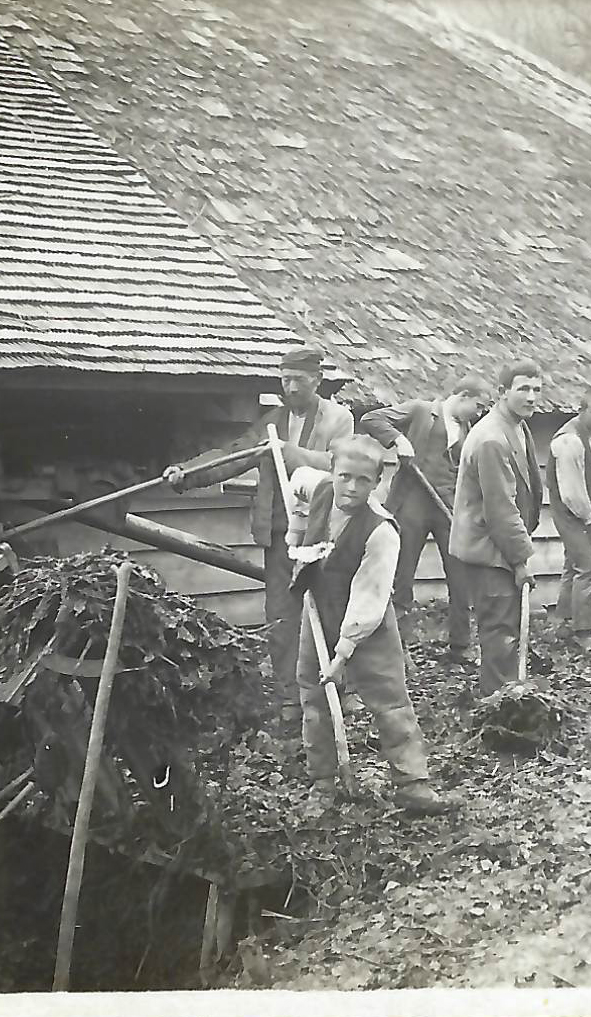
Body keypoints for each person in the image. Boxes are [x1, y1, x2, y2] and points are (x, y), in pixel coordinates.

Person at [162, 346, 353, 727]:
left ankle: (339, 689)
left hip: (323, 531)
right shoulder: (272, 422)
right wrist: (188, 473)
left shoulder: (338, 419)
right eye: (285, 379)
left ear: (317, 380)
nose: (291, 387)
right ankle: (290, 697)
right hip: (281, 532)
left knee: (332, 608)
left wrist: (288, 452)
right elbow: (234, 454)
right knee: (282, 614)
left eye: (299, 380)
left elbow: (339, 464)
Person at [289, 436, 449, 814]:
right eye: (344, 476)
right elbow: (296, 483)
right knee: (314, 696)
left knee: (389, 697)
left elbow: (368, 598)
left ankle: (412, 784)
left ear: (377, 482)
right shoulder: (318, 486)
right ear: (332, 471)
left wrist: (343, 654)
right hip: (319, 607)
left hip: (368, 620)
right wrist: (295, 537)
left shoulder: (381, 532)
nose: (351, 487)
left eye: (363, 480)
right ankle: (323, 783)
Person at [359, 375, 493, 662]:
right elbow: (371, 419)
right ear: (463, 395)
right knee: (401, 577)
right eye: (478, 406)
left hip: (448, 510)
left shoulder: (469, 430)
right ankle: (397, 648)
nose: (480, 413)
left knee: (460, 577)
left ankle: (460, 646)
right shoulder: (421, 411)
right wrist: (398, 439)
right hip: (412, 505)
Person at [449, 361, 544, 697]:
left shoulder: (517, 427)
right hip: (488, 550)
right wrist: (521, 560)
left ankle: (505, 697)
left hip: (500, 545)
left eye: (536, 390)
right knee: (500, 634)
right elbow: (500, 509)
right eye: (523, 389)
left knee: (507, 631)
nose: (531, 397)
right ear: (503, 393)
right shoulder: (491, 439)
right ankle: (497, 707)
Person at [547, 386, 591, 654]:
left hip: (581, 507)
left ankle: (563, 622)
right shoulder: (570, 442)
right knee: (587, 567)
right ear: (581, 411)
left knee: (573, 563)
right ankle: (584, 632)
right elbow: (572, 493)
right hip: (569, 510)